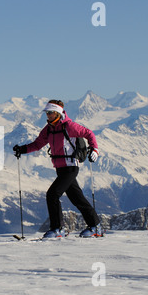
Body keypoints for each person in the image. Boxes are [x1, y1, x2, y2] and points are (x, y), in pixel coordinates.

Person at [13, 100, 103, 238]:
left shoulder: (69, 126)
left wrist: (94, 150)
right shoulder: (48, 129)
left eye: (50, 113)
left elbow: (89, 133)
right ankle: (95, 227)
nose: (47, 115)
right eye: (46, 113)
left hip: (71, 167)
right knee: (77, 199)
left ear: (57, 113)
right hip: (60, 169)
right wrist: (22, 149)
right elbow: (38, 144)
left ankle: (57, 229)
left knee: (52, 194)